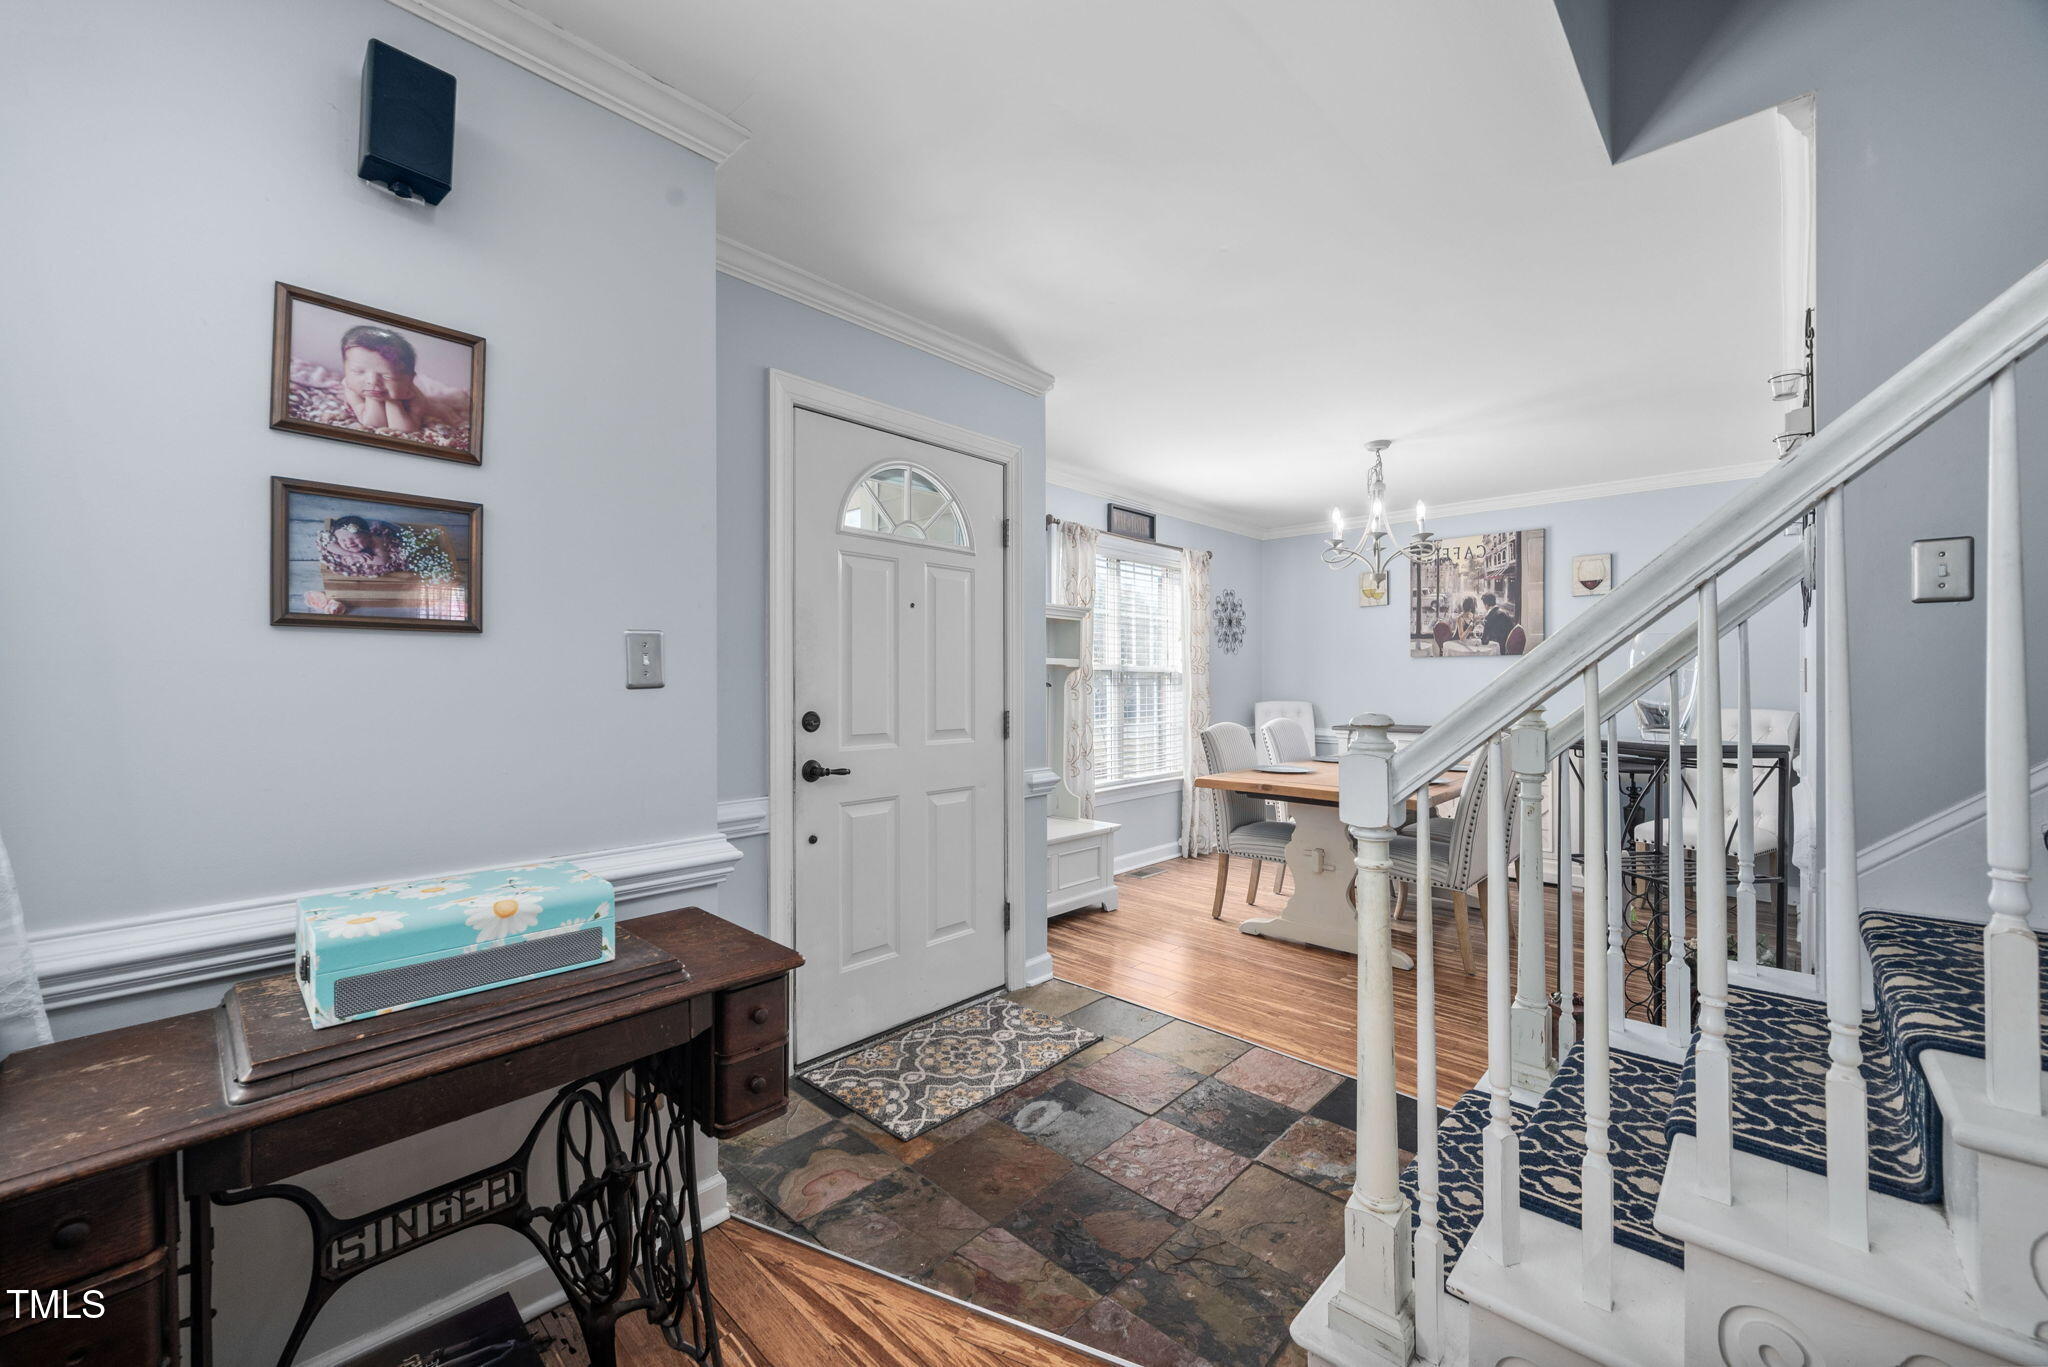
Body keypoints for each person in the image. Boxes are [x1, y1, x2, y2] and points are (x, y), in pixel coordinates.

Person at [304, 515, 458, 615]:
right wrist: (353, 555)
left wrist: (361, 559)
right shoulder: (341, 544)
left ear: (368, 535)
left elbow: (382, 561)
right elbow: (330, 546)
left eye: (355, 539)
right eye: (343, 541)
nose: (349, 543)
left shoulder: (377, 541)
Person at [335, 325, 469, 436]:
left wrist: (393, 400)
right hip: (375, 402)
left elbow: (405, 429)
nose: (372, 381)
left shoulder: (413, 396)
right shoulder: (350, 386)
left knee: (445, 409)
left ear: (409, 380)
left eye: (387, 376)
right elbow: (372, 423)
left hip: (426, 408)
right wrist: (374, 397)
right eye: (358, 372)